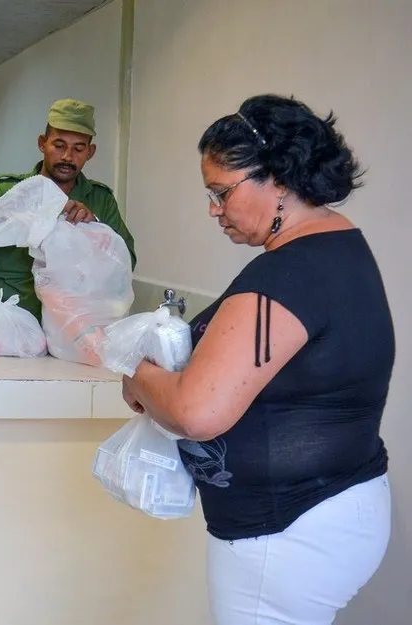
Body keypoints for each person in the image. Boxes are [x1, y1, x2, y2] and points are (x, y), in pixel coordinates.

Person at [121, 95, 393, 625]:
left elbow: (196, 413)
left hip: (286, 533)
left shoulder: (288, 276)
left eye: (222, 192)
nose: (213, 209)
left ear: (280, 178)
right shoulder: (336, 249)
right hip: (328, 511)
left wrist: (138, 375)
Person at [0, 98, 136, 319]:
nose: (67, 157)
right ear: (42, 143)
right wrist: (16, 209)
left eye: (78, 149)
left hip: (73, 330)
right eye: (59, 145)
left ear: (90, 152)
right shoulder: (7, 190)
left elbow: (126, 262)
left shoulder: (101, 201)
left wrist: (95, 228)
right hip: (10, 326)